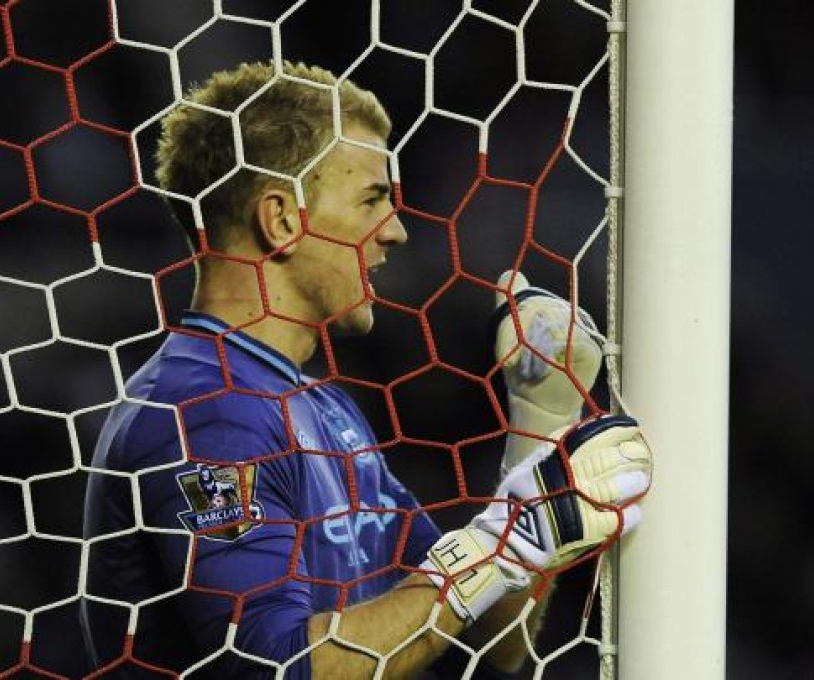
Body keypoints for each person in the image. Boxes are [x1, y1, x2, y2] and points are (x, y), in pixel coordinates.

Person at [80, 61, 652, 679]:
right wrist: (503, 542)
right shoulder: (204, 415)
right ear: (282, 219)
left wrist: (536, 437)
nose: (397, 232)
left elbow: (486, 642)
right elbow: (273, 667)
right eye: (372, 200)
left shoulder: (322, 406)